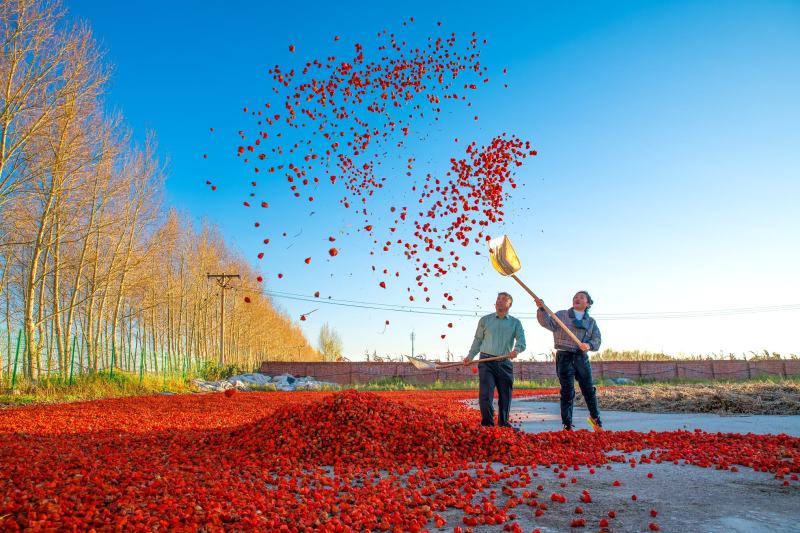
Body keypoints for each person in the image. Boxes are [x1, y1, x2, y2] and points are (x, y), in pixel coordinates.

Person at [533, 291, 603, 431]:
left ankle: (595, 420)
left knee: (588, 389)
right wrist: (542, 308)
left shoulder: (590, 322)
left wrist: (588, 345)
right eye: (575, 297)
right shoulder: (561, 315)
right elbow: (546, 322)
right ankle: (567, 424)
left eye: (581, 297)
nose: (577, 298)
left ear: (587, 303)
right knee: (567, 391)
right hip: (564, 356)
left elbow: (597, 340)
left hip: (580, 357)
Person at [463, 292, 526, 427]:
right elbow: (478, 340)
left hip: (505, 362)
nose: (499, 301)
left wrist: (516, 350)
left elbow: (521, 340)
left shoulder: (515, 323)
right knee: (485, 394)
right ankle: (487, 424)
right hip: (486, 362)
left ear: (510, 304)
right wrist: (470, 356)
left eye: (504, 299)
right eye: (498, 298)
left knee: (505, 395)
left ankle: (503, 423)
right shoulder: (485, 320)